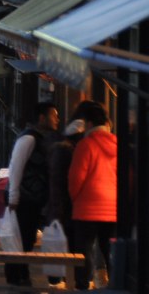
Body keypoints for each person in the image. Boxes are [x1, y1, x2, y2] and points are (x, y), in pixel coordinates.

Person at [5, 101, 60, 286]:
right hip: (24, 199)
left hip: (33, 198)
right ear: (42, 118)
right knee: (20, 239)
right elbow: (16, 167)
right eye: (54, 115)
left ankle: (22, 274)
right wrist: (13, 197)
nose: (57, 119)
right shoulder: (28, 138)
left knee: (26, 239)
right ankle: (17, 276)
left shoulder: (42, 138)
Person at [69, 101, 117, 291]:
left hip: (86, 209)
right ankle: (116, 281)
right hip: (112, 208)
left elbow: (76, 178)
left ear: (88, 124)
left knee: (85, 250)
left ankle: (83, 284)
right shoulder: (118, 145)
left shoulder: (85, 145)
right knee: (109, 249)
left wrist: (75, 199)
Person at [46, 115, 86, 288]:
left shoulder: (61, 151)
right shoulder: (68, 152)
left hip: (62, 208)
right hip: (67, 208)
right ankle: (73, 282)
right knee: (71, 247)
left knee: (64, 246)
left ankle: (61, 281)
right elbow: (61, 184)